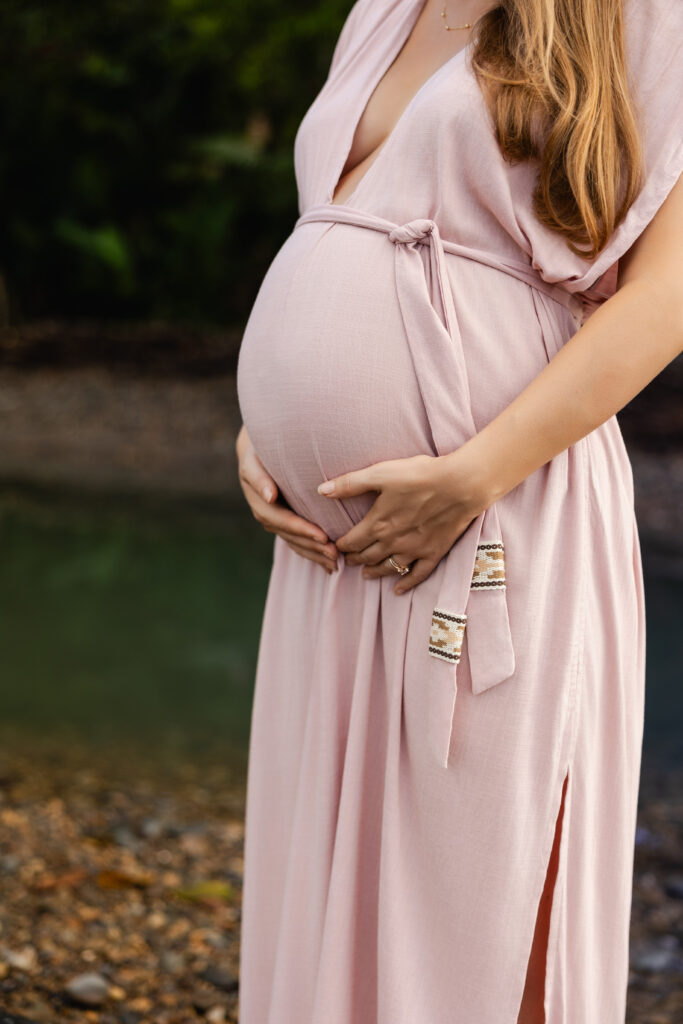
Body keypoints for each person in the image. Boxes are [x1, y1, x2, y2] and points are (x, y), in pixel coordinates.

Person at [234, 0, 683, 1020]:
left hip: (495, 510)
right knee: (338, 891)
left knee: (477, 897)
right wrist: (264, 429)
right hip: (330, 561)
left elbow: (666, 295)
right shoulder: (384, 8)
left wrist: (476, 472)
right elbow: (337, 229)